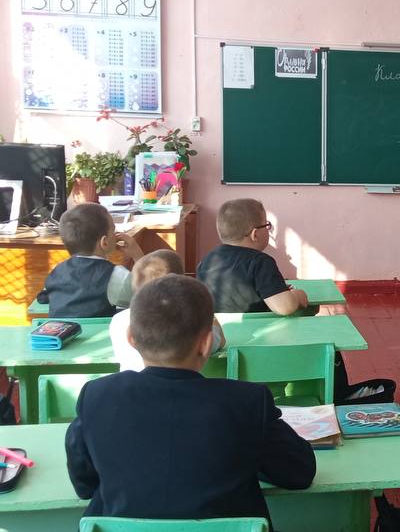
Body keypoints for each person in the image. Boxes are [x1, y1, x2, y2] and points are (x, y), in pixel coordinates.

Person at [66, 274, 316, 520]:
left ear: (130, 338)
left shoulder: (97, 397)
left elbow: (84, 486)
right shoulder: (247, 403)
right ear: (206, 344)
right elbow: (300, 473)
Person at [110, 250, 225, 372]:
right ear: (181, 284)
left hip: (131, 383)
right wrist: (207, 314)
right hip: (188, 382)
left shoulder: (118, 321)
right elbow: (219, 340)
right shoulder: (192, 321)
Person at [197, 199, 309, 314]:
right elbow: (285, 307)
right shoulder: (260, 262)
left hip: (216, 325)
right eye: (267, 225)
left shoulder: (207, 260)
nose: (268, 229)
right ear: (255, 234)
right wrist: (297, 296)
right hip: (253, 325)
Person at [37, 203, 142, 318]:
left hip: (60, 329)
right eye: (114, 230)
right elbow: (145, 294)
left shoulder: (57, 272)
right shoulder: (116, 275)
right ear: (104, 242)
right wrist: (138, 256)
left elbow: (43, 297)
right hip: (100, 329)